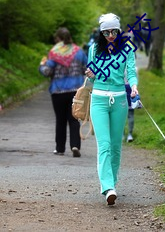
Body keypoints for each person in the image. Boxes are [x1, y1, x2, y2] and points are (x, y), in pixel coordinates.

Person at [85, 13, 139, 205]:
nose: (110, 35)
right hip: (98, 100)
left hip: (120, 100)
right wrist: (90, 74)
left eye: (113, 31)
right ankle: (107, 187)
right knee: (105, 145)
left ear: (119, 30)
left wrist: (133, 86)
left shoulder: (127, 50)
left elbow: (131, 72)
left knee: (116, 146)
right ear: (101, 32)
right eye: (106, 32)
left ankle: (112, 183)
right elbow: (91, 78)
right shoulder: (94, 49)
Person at [39, 27, 87, 157]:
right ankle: (75, 145)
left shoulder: (54, 53)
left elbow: (47, 72)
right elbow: (86, 69)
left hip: (58, 91)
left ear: (58, 39)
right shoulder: (79, 52)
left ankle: (60, 149)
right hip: (75, 91)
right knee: (74, 119)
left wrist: (42, 65)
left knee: (60, 120)